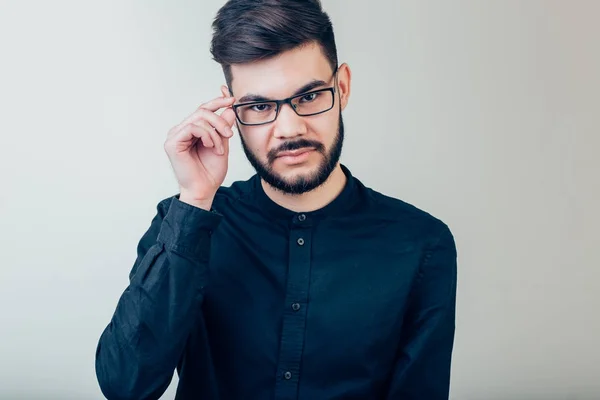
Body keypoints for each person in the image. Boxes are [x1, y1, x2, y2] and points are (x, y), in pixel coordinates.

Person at [95, 0, 458, 399]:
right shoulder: (184, 223)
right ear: (231, 108)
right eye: (260, 106)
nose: (288, 128)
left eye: (309, 97)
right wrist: (195, 199)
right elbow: (125, 386)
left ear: (342, 87)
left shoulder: (421, 243)